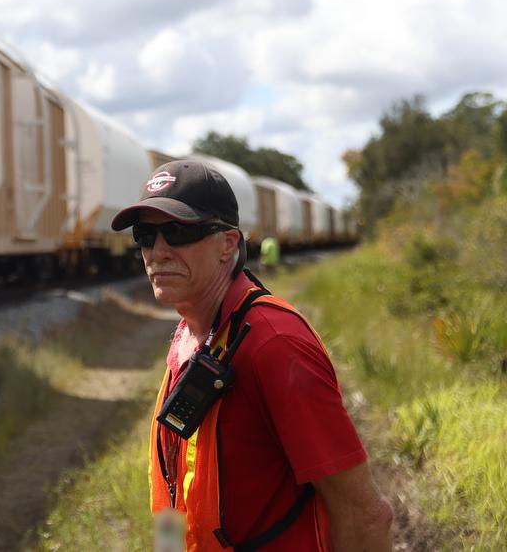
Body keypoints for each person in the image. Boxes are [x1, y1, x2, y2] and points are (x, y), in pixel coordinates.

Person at [111, 159, 392, 551]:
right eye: (145, 235)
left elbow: (365, 514)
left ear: (228, 245)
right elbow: (176, 488)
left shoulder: (275, 344)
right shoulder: (190, 336)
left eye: (177, 231)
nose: (157, 251)